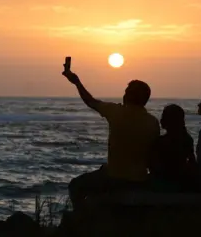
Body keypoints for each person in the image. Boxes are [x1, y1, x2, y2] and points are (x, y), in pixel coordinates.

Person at [62, 66, 160, 211]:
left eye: (126, 92)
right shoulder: (153, 122)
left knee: (76, 186)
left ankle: (81, 220)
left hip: (115, 178)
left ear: (128, 96)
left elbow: (90, 101)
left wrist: (76, 82)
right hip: (140, 179)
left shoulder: (116, 112)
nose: (124, 94)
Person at [149, 104, 198, 192]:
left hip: (163, 184)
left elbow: (153, 167)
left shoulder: (160, 142)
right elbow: (192, 162)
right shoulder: (187, 139)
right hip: (181, 182)